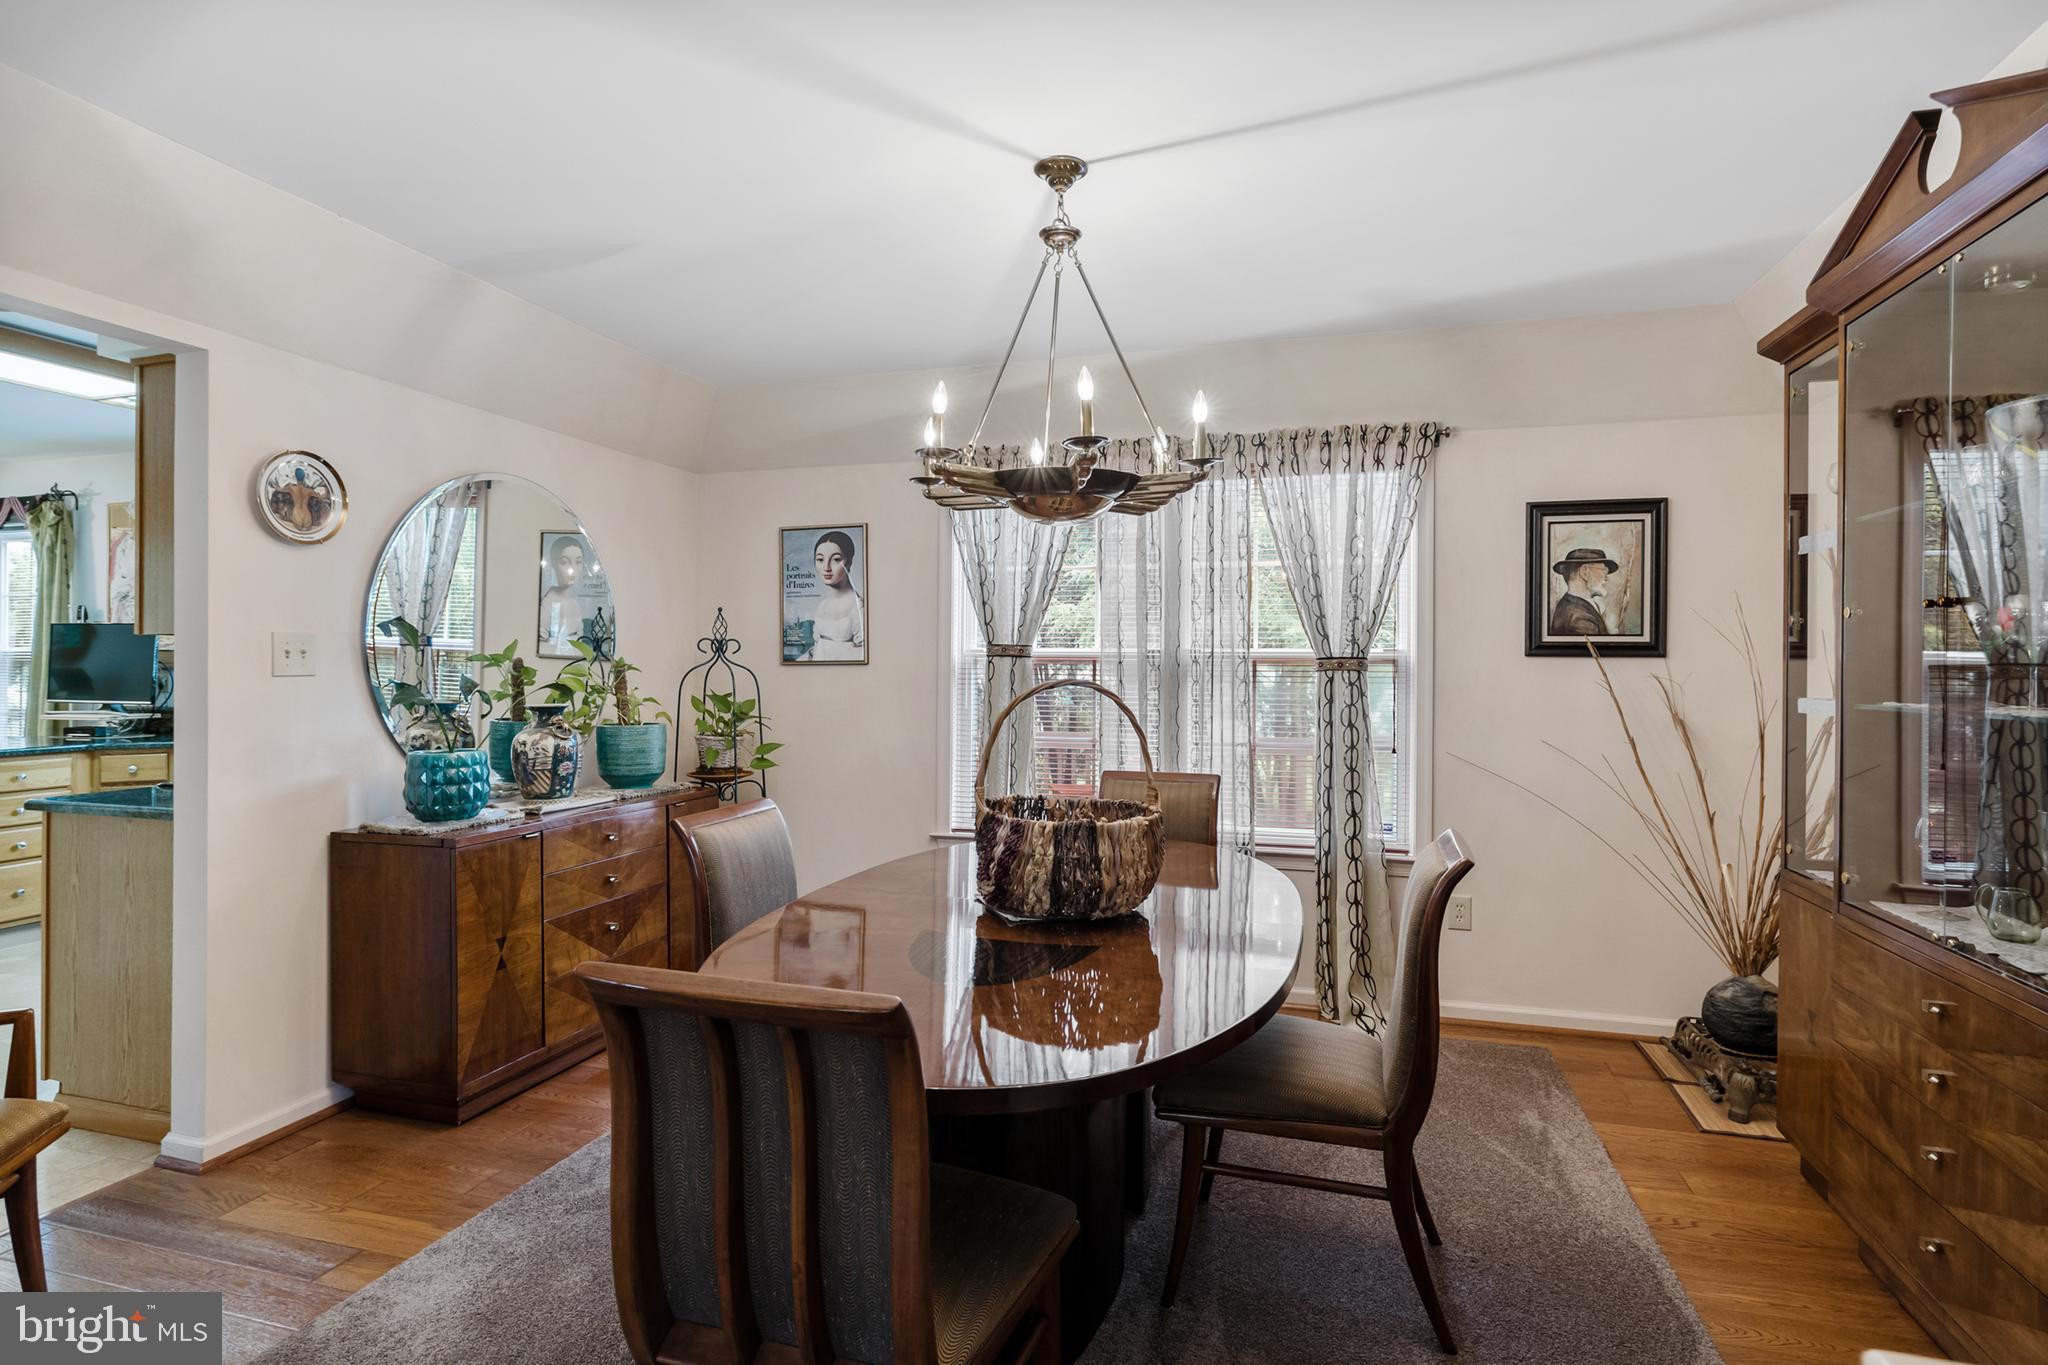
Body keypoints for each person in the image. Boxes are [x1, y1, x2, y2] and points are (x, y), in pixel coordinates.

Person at [803, 531, 865, 661]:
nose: (826, 567)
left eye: (836, 559)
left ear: (849, 562)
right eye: (820, 559)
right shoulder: (822, 606)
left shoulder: (860, 607)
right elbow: (817, 648)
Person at [1550, 546, 1617, 636]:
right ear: (1585, 572)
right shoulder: (1580, 618)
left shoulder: (1569, 604)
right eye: (1603, 571)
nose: (1606, 578)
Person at [539, 535, 588, 655]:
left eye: (578, 562)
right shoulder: (547, 603)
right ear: (554, 564)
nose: (572, 569)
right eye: (565, 562)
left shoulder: (575, 602)